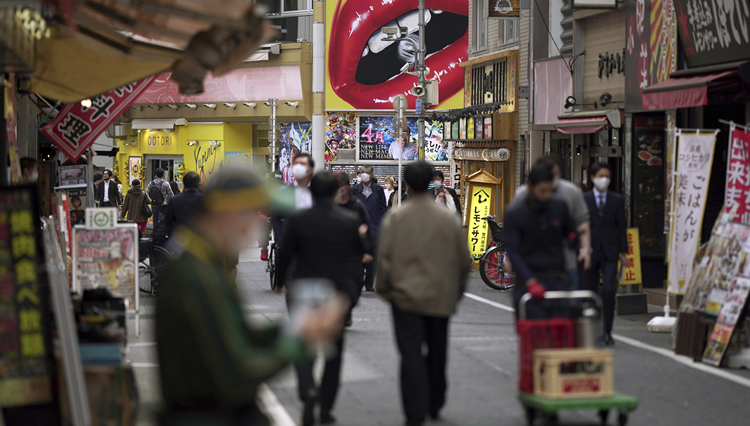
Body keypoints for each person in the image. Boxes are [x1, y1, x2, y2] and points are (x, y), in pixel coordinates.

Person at [156, 166, 348, 426]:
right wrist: (300, 341)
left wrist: (296, 327)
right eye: (257, 213)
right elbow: (237, 377)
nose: (260, 223)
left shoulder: (204, 261)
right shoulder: (197, 275)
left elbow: (236, 333)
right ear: (229, 212)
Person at [376, 161, 471, 426]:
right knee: (438, 350)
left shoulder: (395, 218)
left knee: (410, 354)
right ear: (431, 182)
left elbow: (384, 260)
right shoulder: (447, 218)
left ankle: (414, 411)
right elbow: (464, 260)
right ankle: (436, 401)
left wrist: (386, 290)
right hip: (440, 295)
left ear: (406, 184)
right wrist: (457, 292)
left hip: (405, 297)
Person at [277, 171, 366, 426]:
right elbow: (357, 259)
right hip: (335, 292)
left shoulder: (299, 220)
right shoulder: (349, 220)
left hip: (303, 287)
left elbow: (285, 254)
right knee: (334, 353)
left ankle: (308, 389)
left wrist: (280, 282)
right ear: (336, 192)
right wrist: (351, 294)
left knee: (303, 344)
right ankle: (326, 409)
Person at [503, 162, 578, 320]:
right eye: (542, 191)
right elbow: (513, 251)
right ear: (529, 186)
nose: (547, 196)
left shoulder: (559, 207)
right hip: (529, 281)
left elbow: (569, 233)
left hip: (557, 279)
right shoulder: (514, 214)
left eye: (550, 191)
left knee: (562, 333)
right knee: (534, 333)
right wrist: (530, 281)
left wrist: (575, 240)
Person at [514, 157, 592, 289]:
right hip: (531, 264)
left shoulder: (568, 195)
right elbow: (513, 233)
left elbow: (581, 223)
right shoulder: (521, 196)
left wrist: (585, 249)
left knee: (569, 303)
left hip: (565, 264)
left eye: (555, 175)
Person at [583, 162, 627, 346]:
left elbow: (622, 227)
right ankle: (592, 331)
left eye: (607, 177)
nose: (604, 180)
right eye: (601, 176)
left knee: (609, 291)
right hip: (590, 251)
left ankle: (607, 332)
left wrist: (624, 252)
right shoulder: (584, 199)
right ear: (592, 177)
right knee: (591, 293)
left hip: (610, 251)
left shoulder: (616, 200)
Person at [335, 172, 374, 324]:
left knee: (355, 283)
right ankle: (339, 312)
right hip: (335, 253)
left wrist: (368, 251)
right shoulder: (330, 204)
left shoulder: (357, 206)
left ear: (346, 188)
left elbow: (367, 228)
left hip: (354, 253)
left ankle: (348, 307)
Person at [268, 153, 315, 261]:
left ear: (310, 169)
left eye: (303, 164)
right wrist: (281, 240)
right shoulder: (284, 194)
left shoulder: (316, 193)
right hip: (289, 246)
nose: (299, 167)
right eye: (296, 164)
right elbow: (276, 217)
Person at [351, 165, 388, 292]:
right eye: (362, 172)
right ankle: (358, 281)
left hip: (374, 228)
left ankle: (369, 283)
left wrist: (380, 222)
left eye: (366, 173)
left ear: (372, 175)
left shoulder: (378, 190)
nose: (364, 175)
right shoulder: (355, 189)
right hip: (357, 228)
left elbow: (384, 208)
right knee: (358, 257)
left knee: (373, 258)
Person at [161, 171, 203, 239]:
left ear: (184, 185)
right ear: (199, 184)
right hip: (199, 240)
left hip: (179, 239)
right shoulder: (205, 201)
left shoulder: (175, 200)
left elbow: (168, 221)